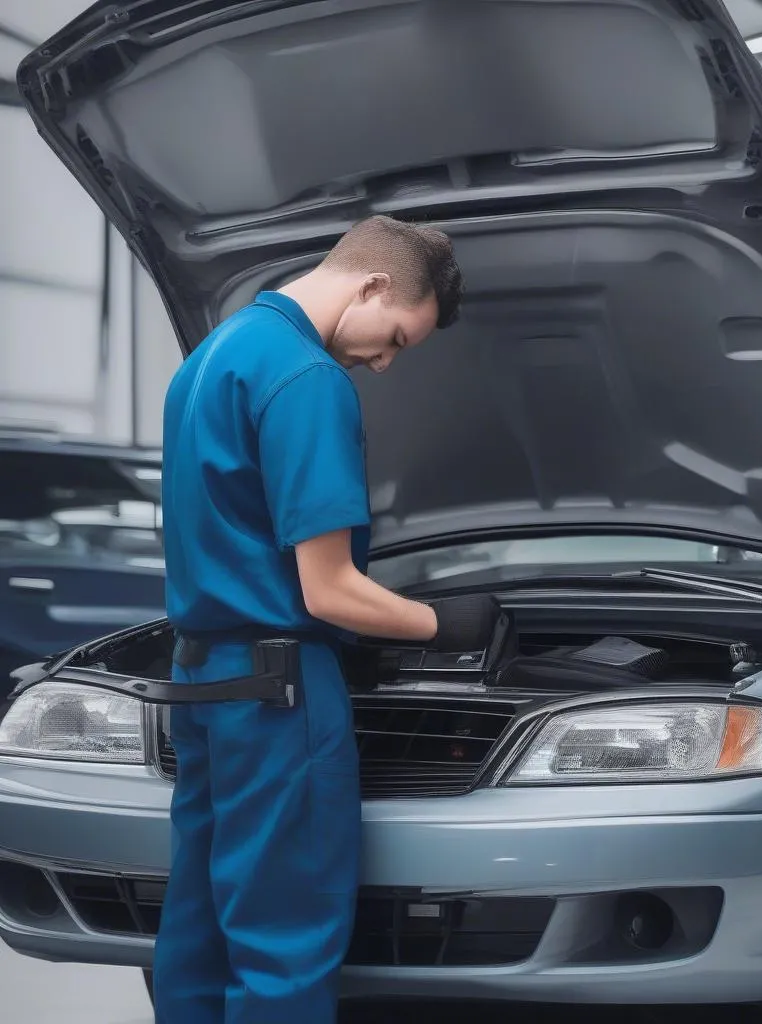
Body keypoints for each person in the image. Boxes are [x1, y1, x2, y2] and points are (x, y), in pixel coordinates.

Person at [152, 215, 501, 1023]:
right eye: (397, 341)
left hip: (200, 680)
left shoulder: (212, 358)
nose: (381, 363)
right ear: (374, 285)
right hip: (279, 696)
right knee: (285, 937)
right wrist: (445, 626)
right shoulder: (306, 378)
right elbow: (330, 591)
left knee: (200, 926)